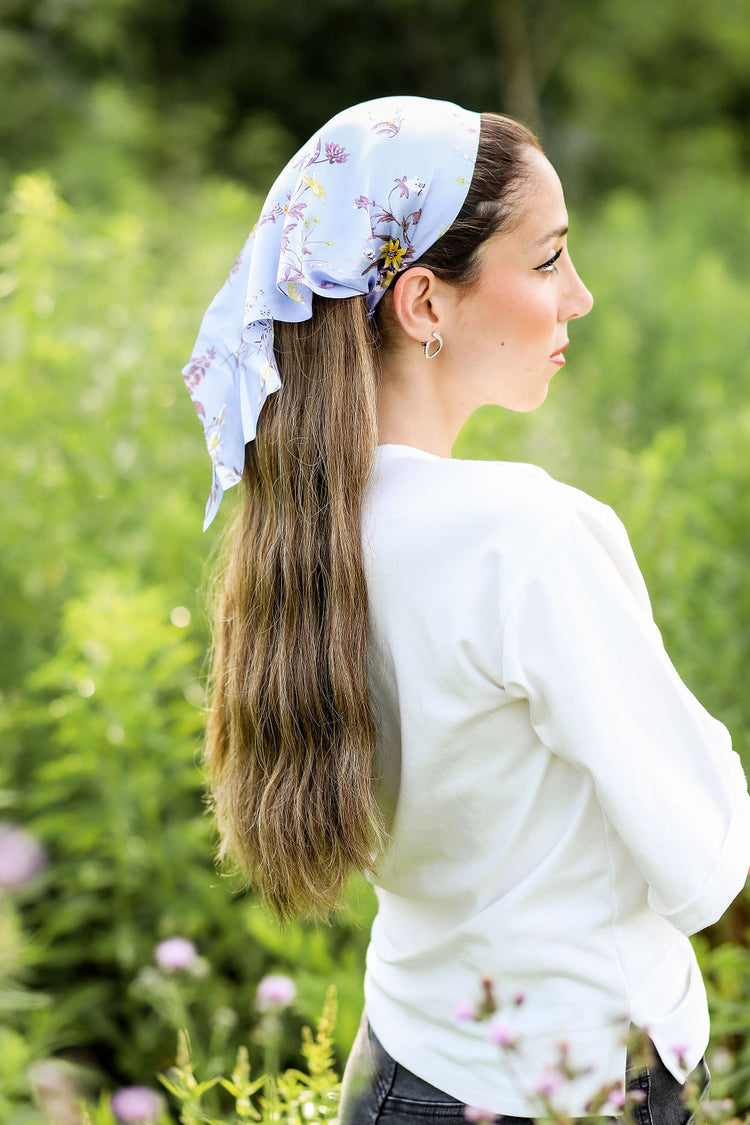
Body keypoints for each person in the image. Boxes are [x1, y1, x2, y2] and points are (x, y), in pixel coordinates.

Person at [181, 96, 750, 1123]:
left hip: (399, 1070)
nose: (577, 297)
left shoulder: (304, 530)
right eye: (547, 261)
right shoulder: (526, 536)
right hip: (561, 1088)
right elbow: (704, 861)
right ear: (427, 305)